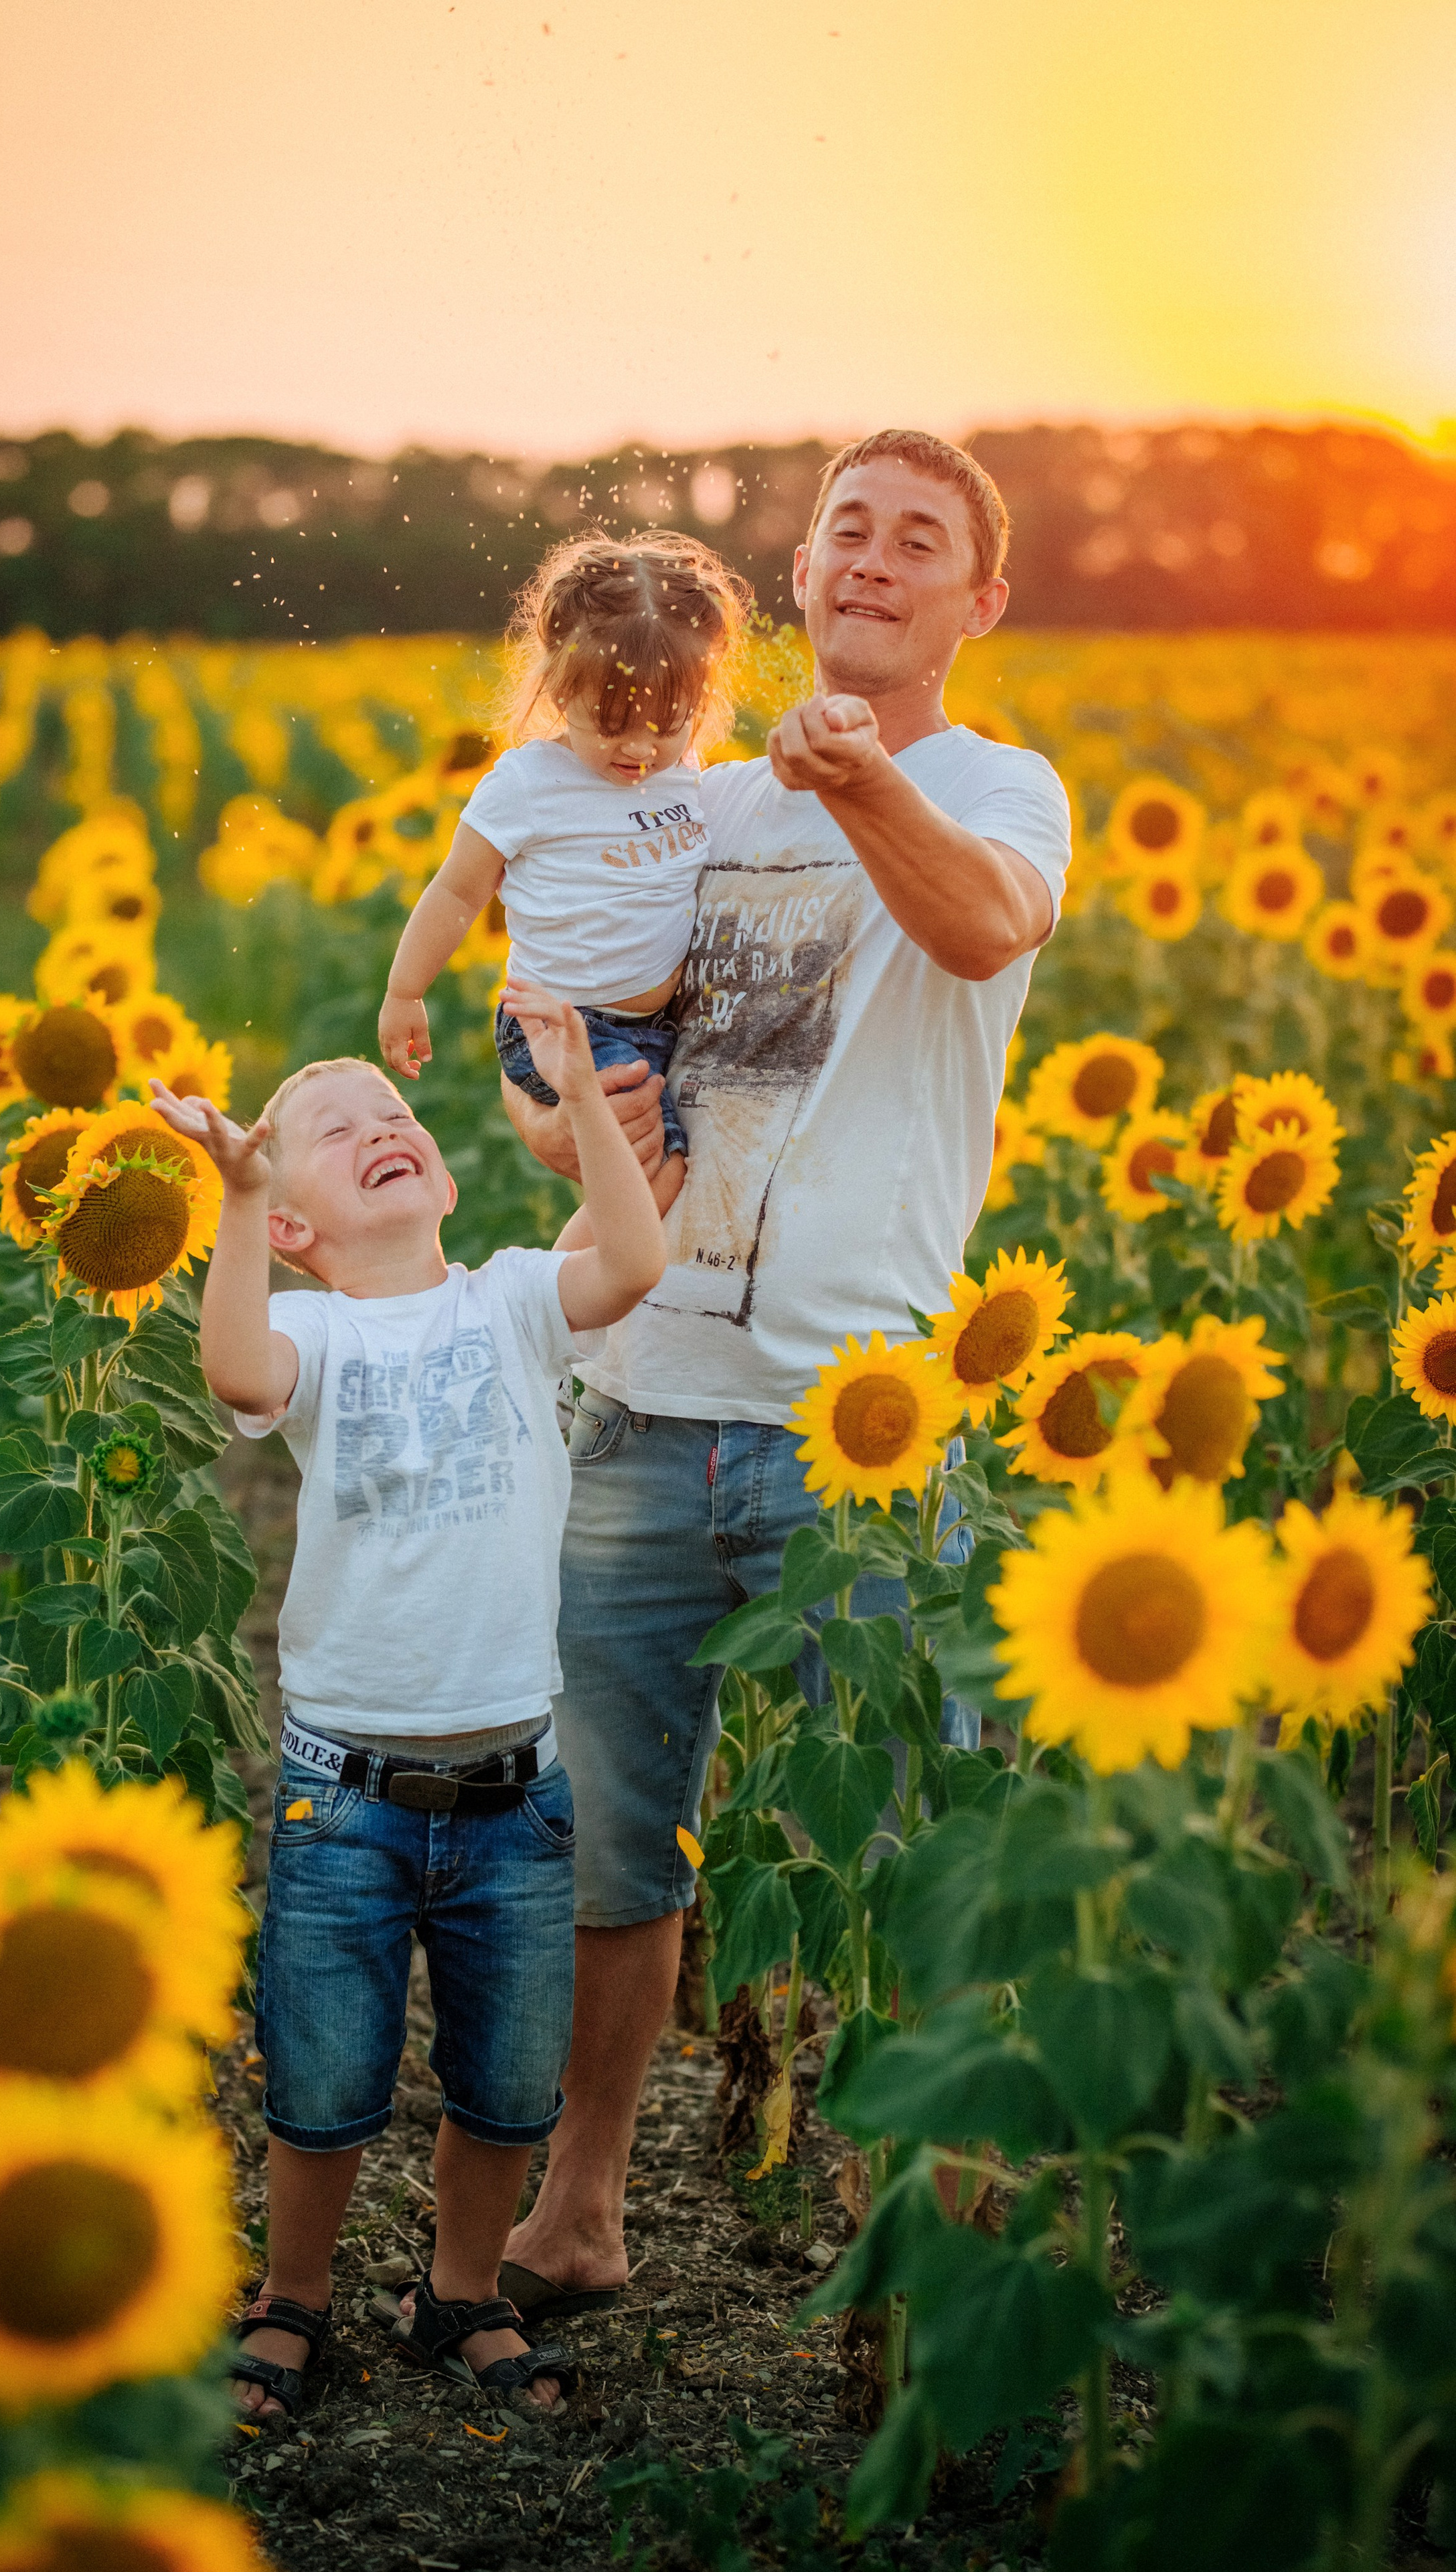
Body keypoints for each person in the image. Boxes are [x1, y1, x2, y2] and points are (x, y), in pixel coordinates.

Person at [490, 429, 1073, 2327]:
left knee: (914, 1850)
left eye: (923, 541)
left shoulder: (1000, 788)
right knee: (603, 1832)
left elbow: (984, 927)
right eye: (850, 530)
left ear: (978, 604)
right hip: (652, 1391)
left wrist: (863, 783)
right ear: (804, 573)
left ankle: (942, 2257)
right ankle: (580, 2203)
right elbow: (562, 1070)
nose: (876, 559)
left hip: (862, 1422)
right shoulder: (688, 803)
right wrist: (579, 1114)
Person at [147, 988, 664, 2416]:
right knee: (319, 2083)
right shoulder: (315, 1335)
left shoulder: (508, 1298)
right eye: (334, 1128)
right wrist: (240, 1197)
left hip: (514, 1792)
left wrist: (573, 1100)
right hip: (346, 1793)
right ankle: (293, 2296)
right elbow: (234, 1363)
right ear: (301, 1225)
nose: (382, 1124)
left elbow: (629, 1258)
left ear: (436, 1170)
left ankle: (461, 2294)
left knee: (503, 2088)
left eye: (396, 1115)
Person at [378, 532, 752, 1221]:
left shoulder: (685, 771)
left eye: (666, 723)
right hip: (562, 1026)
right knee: (656, 1177)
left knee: (655, 1179)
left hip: (658, 1029)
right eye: (611, 724)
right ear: (557, 686)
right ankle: (552, 1301)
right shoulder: (528, 783)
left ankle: (574, 1297)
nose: (640, 748)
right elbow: (459, 889)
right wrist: (406, 991)